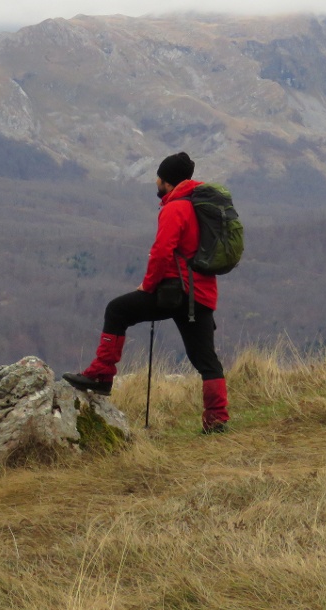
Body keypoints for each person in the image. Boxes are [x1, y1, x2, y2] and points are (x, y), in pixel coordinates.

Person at [62, 152, 230, 434]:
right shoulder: (200, 205)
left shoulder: (175, 209)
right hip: (201, 294)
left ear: (166, 181)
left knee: (117, 310)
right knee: (206, 360)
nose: (156, 181)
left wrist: (148, 285)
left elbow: (162, 251)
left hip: (175, 293)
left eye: (159, 177)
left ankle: (102, 374)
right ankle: (216, 421)